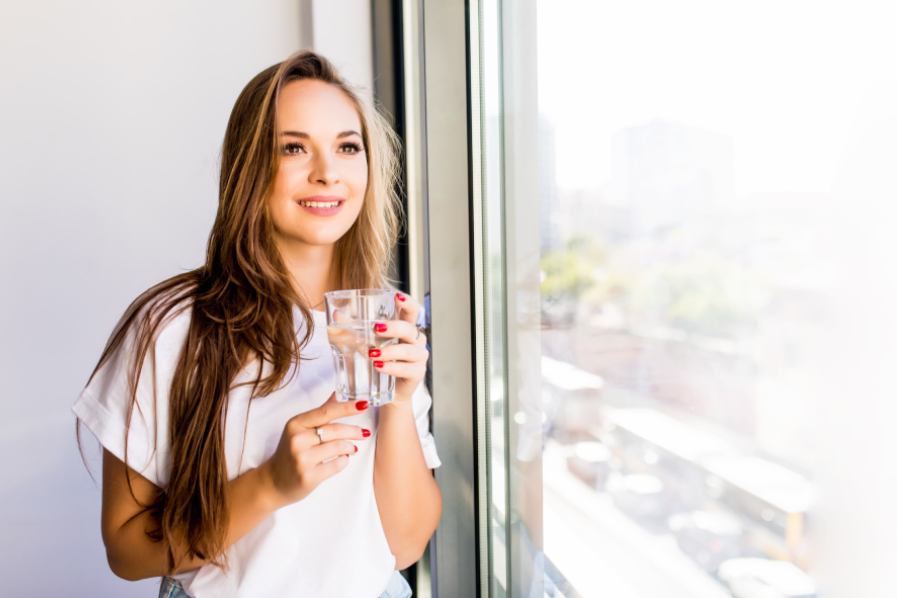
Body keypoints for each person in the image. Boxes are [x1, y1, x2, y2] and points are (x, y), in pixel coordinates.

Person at [72, 50, 443, 598]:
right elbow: (127, 552)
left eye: (347, 147)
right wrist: (270, 484)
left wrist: (399, 402)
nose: (327, 172)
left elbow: (406, 546)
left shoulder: (382, 319)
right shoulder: (173, 327)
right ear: (250, 167)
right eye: (294, 147)